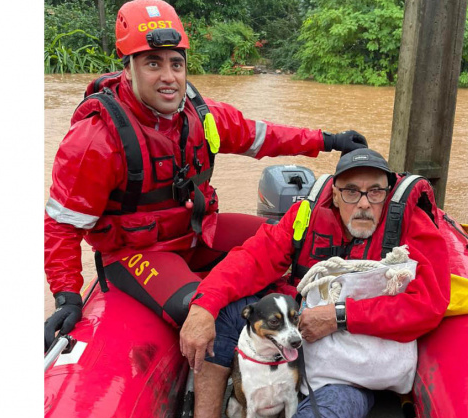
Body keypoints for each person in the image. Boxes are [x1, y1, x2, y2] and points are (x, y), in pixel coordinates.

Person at [157, 148, 451, 418]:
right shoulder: (305, 216)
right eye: (351, 192)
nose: (364, 203)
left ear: (389, 191)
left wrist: (340, 316)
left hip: (356, 364)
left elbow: (429, 303)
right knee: (226, 313)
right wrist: (204, 304)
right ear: (334, 195)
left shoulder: (411, 222)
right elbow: (252, 259)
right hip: (297, 334)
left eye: (375, 192)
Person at [44, 0, 368, 350]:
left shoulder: (202, 116)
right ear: (128, 69)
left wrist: (327, 140)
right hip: (137, 252)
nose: (169, 77)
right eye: (153, 63)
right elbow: (62, 224)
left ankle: (315, 312)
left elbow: (261, 135)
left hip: (199, 233)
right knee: (196, 307)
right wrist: (66, 295)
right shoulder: (95, 139)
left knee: (295, 244)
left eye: (176, 64)